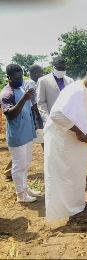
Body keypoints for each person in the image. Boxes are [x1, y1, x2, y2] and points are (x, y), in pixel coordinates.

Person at [44, 63, 87, 223]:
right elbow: (56, 115)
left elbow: (82, 122)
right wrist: (78, 132)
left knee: (77, 174)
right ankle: (72, 211)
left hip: (73, 143)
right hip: (62, 143)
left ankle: (78, 204)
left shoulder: (84, 91)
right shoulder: (76, 90)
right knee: (67, 176)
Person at [0, 64, 40, 202]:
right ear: (9, 77)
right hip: (17, 135)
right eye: (16, 78)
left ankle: (25, 188)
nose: (19, 79)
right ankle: (20, 195)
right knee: (18, 166)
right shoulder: (7, 93)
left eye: (21, 76)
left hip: (27, 133)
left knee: (26, 163)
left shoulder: (21, 88)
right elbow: (10, 115)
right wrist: (24, 99)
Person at [37, 56, 74, 124]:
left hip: (67, 121)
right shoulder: (43, 81)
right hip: (51, 121)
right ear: (53, 67)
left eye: (63, 68)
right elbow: (41, 103)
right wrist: (47, 119)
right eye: (59, 68)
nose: (61, 70)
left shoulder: (70, 81)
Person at [24, 65, 44, 146]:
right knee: (44, 140)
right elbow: (34, 105)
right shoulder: (32, 84)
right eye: (41, 73)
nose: (42, 76)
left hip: (29, 116)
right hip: (36, 117)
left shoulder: (26, 82)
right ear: (35, 73)